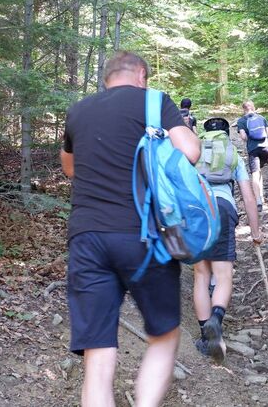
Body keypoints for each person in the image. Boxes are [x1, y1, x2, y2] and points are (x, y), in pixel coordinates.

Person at [60, 51, 200, 407]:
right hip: (143, 236)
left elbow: (70, 168)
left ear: (106, 77)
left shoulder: (78, 111)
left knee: (97, 352)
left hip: (86, 238)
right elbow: (191, 152)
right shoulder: (154, 101)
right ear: (140, 75)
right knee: (164, 335)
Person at [192, 117, 262, 363]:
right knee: (223, 276)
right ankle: (216, 319)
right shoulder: (233, 156)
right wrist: (255, 231)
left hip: (197, 211)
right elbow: (249, 198)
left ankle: (205, 337)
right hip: (223, 209)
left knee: (201, 275)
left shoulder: (195, 152)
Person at [236, 100, 268, 212]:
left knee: (255, 173)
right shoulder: (261, 118)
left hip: (253, 149)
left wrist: (247, 136)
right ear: (253, 107)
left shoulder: (241, 121)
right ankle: (261, 196)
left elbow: (243, 137)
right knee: (259, 172)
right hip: (266, 148)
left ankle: (258, 200)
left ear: (244, 109)